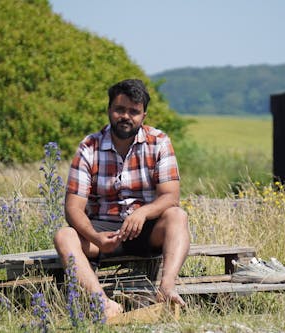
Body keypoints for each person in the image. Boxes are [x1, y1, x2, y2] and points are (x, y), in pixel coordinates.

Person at [53, 78, 190, 319]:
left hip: (146, 229)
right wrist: (95, 237)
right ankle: (103, 303)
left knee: (177, 215)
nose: (125, 116)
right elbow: (73, 208)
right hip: (103, 232)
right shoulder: (89, 147)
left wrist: (143, 212)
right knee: (64, 235)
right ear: (109, 111)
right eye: (119, 109)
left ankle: (166, 288)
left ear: (143, 116)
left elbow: (171, 197)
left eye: (133, 112)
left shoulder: (159, 141)